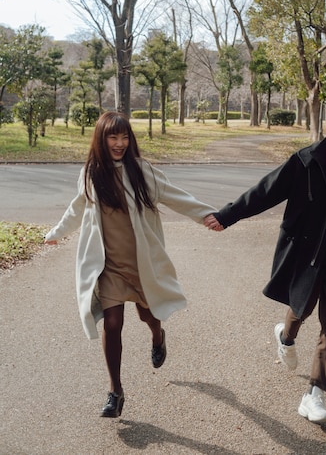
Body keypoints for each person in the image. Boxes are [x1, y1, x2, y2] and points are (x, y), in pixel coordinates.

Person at [204, 99, 326, 425]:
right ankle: (286, 335)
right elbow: (265, 191)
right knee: (301, 308)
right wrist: (227, 215)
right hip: (309, 254)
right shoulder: (308, 160)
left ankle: (314, 393)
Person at [45, 111, 216, 418]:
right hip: (108, 265)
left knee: (147, 314)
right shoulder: (91, 174)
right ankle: (115, 392)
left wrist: (208, 215)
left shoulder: (142, 171)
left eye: (124, 137)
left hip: (141, 264)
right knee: (112, 323)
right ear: (101, 138)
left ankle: (157, 335)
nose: (120, 143)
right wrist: (56, 233)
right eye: (113, 137)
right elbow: (76, 208)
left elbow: (176, 196)